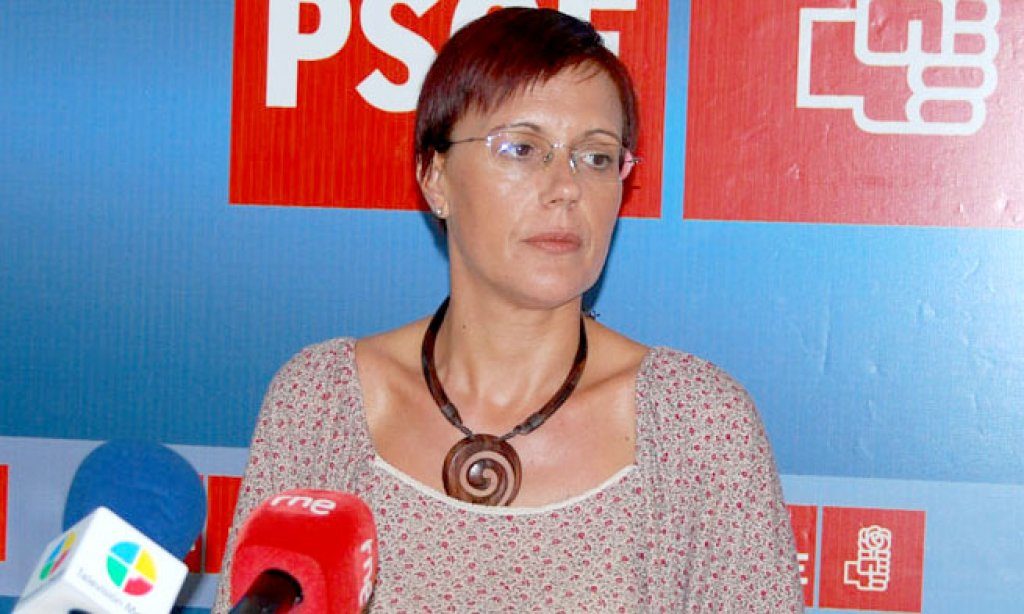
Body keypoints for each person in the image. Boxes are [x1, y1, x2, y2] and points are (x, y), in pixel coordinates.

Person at [215, 8, 803, 612]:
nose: (566, 187)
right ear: (435, 176)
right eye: (522, 148)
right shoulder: (321, 401)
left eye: (597, 157)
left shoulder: (696, 424)